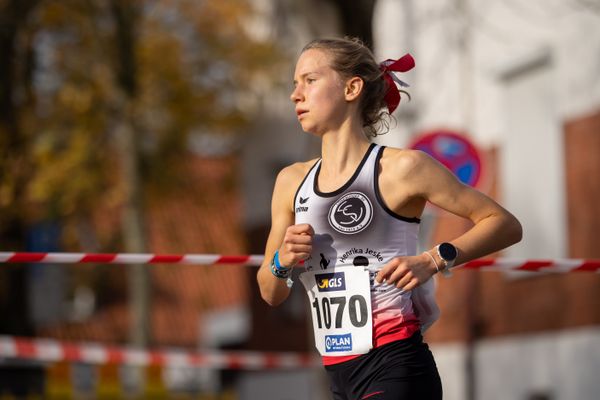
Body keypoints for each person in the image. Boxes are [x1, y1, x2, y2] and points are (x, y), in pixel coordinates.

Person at [256, 37, 522, 400]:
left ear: (351, 88)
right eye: (294, 84)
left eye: (310, 80)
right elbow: (269, 293)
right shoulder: (291, 181)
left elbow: (504, 223)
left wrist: (433, 259)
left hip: (396, 365)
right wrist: (281, 261)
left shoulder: (404, 168)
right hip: (338, 375)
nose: (295, 95)